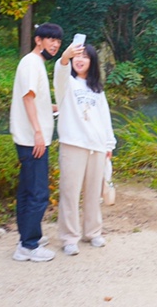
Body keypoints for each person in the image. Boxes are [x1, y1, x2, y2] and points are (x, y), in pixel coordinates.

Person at [54, 42, 116, 256]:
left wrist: (109, 144)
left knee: (93, 193)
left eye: (85, 57)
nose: (80, 60)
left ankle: (92, 232)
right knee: (70, 193)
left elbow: (105, 118)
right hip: (73, 145)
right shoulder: (67, 84)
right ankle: (69, 237)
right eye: (76, 57)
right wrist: (64, 57)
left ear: (92, 62)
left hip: (96, 147)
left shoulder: (96, 89)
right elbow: (60, 73)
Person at [10, 22, 63, 263]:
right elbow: (28, 98)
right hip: (33, 141)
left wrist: (57, 107)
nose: (54, 44)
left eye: (58, 41)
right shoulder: (31, 63)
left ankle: (28, 238)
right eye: (50, 39)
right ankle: (28, 246)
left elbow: (36, 101)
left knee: (27, 191)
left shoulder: (35, 64)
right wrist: (38, 133)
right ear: (38, 40)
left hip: (29, 139)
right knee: (38, 193)